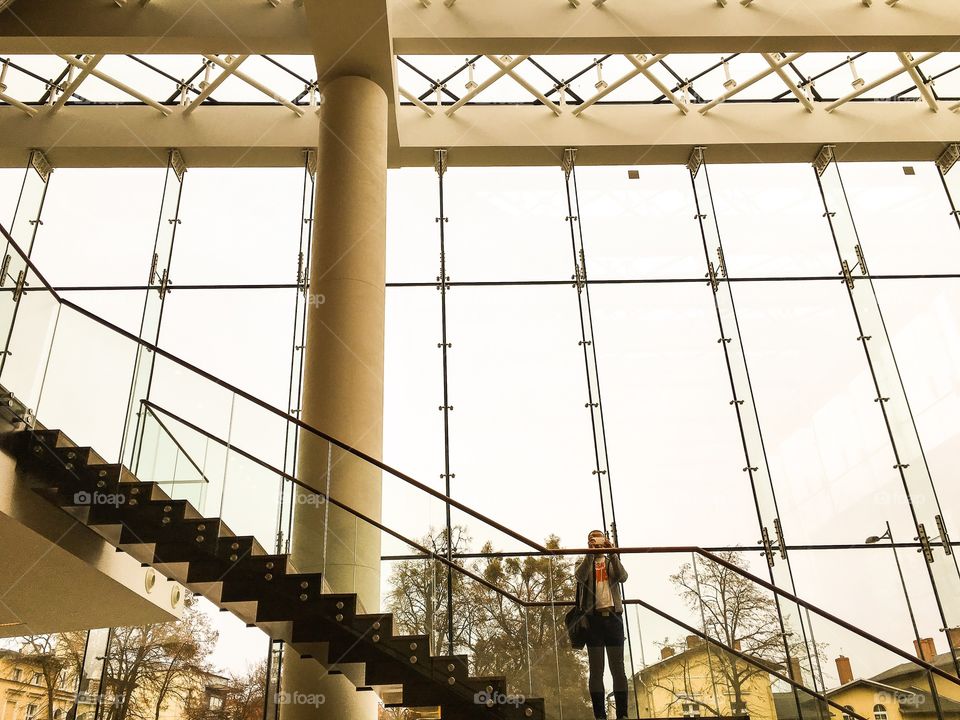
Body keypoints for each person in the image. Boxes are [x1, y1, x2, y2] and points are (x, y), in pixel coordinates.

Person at [575, 529, 629, 720]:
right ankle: (600, 716)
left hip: (614, 619)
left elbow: (623, 577)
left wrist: (612, 552)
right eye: (591, 539)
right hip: (593, 621)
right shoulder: (583, 561)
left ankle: (622, 714)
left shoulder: (610, 561)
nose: (595, 542)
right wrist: (589, 555)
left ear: (604, 541)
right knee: (596, 669)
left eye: (598, 539)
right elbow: (579, 576)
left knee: (618, 668)